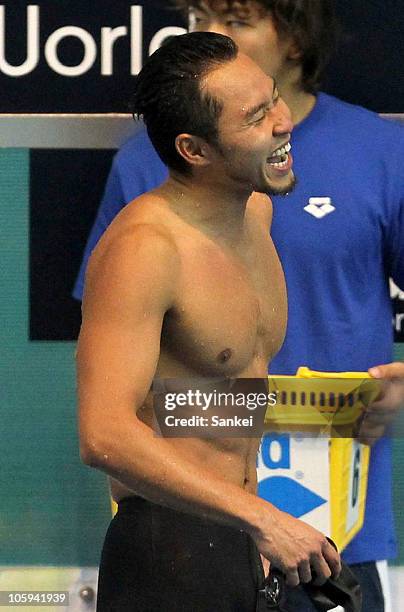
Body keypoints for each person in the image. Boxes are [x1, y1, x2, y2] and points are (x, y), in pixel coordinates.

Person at [74, 2, 404, 610]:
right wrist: (257, 515)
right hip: (168, 555)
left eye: (273, 99)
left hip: (253, 541)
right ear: (195, 150)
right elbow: (103, 434)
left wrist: (255, 518)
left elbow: (215, 394)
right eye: (256, 117)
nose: (283, 123)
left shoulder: (257, 213)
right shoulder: (144, 250)